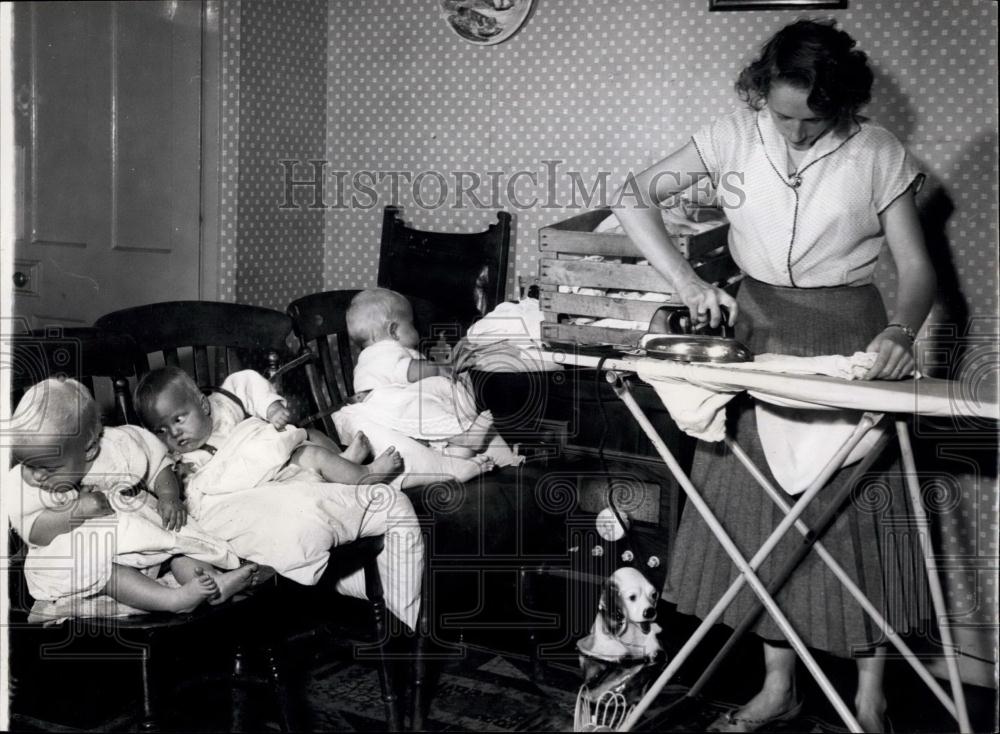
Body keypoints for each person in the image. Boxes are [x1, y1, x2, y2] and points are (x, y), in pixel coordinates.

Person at [613, 19, 935, 734]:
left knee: (850, 517)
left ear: (844, 106)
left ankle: (870, 698)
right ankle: (776, 687)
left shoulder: (878, 152)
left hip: (851, 333)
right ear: (762, 89)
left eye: (812, 119)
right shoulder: (733, 133)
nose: (793, 131)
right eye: (782, 113)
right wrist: (687, 281)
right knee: (756, 518)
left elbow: (917, 271)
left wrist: (898, 333)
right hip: (758, 331)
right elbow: (632, 196)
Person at [6, 377, 258, 616]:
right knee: (107, 575)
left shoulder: (117, 445)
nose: (36, 476)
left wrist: (168, 496)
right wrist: (75, 511)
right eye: (27, 465)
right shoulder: (27, 484)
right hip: (84, 548)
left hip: (139, 529)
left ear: (90, 450)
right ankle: (173, 600)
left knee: (177, 547)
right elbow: (34, 531)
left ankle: (212, 585)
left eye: (48, 468)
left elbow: (157, 464)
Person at [134, 365, 403, 496]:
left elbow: (247, 383)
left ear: (203, 404)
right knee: (313, 455)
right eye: (162, 430)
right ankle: (365, 474)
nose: (174, 434)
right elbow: (171, 476)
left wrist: (271, 407)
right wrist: (179, 480)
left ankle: (344, 462)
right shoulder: (184, 460)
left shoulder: (223, 405)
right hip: (263, 479)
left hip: (277, 455)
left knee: (310, 435)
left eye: (179, 419)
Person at [346, 287, 497, 457]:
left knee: (431, 404)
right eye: (411, 324)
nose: (416, 329)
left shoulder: (385, 351)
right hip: (387, 408)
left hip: (396, 415)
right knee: (421, 407)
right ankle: (463, 437)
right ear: (393, 331)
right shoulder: (381, 351)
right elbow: (410, 371)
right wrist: (440, 368)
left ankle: (457, 453)